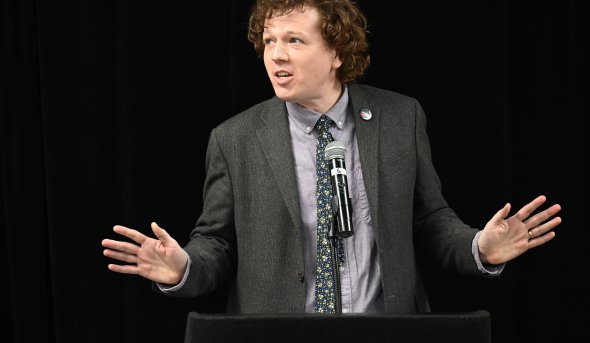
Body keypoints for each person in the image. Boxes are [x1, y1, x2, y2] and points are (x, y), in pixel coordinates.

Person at [102, 0, 561, 314]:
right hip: (279, 338)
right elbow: (216, 243)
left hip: (384, 333)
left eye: (294, 41)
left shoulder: (400, 117)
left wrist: (480, 248)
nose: (275, 55)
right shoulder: (235, 138)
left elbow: (430, 220)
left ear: (337, 51)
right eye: (269, 40)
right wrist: (182, 267)